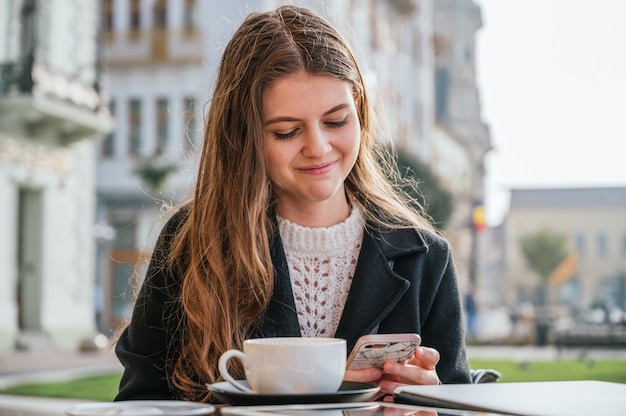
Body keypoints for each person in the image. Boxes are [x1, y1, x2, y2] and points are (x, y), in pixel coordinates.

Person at [114, 5, 472, 403]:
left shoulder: (426, 257)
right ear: (244, 135)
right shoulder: (190, 242)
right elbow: (139, 401)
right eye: (286, 132)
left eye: (336, 121)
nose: (318, 149)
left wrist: (437, 402)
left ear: (359, 108)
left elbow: (460, 399)